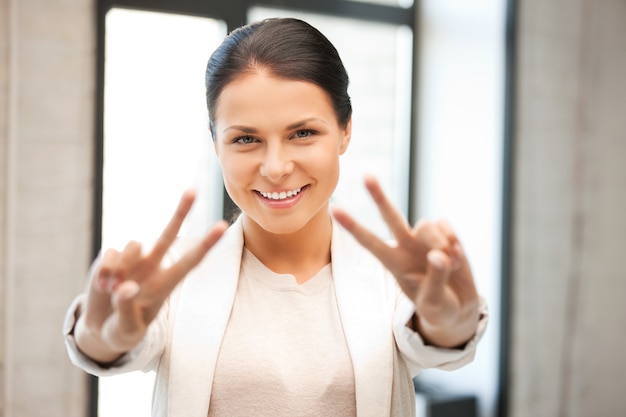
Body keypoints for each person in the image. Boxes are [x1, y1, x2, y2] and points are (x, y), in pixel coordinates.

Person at [64, 17, 488, 417]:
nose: (275, 167)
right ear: (216, 144)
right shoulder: (172, 277)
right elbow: (112, 340)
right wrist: (104, 337)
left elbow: (436, 338)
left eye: (302, 133)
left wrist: (450, 324)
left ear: (345, 130)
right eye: (246, 138)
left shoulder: (395, 276)